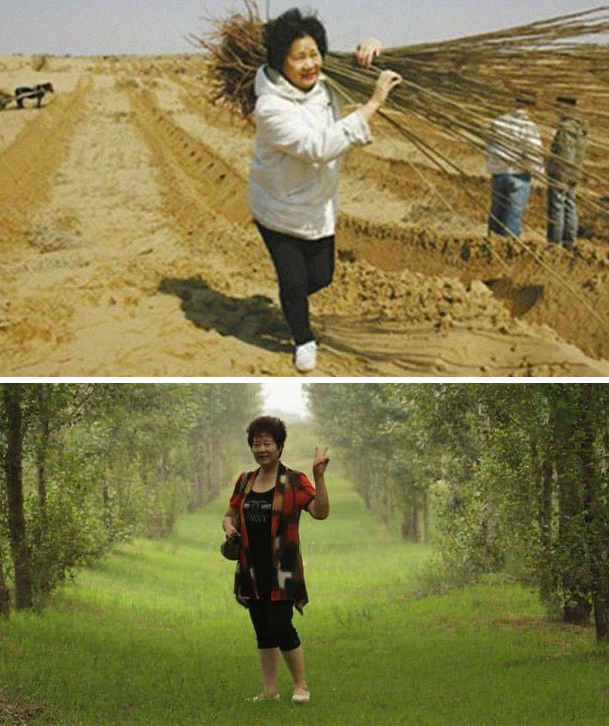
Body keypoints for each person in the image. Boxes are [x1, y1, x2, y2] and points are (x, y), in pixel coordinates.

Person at [249, 8, 401, 372]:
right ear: (280, 62)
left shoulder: (328, 83)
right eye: (299, 57)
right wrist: (373, 104)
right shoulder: (270, 107)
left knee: (322, 277)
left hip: (318, 206)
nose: (309, 64)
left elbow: (386, 76)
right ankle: (303, 339)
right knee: (295, 279)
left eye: (314, 54)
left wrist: (375, 48)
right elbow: (318, 147)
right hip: (277, 207)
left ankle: (291, 299)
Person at [222, 415, 330, 704]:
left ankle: (301, 685)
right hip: (250, 567)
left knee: (281, 624)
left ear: (280, 447)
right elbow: (230, 513)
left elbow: (320, 512)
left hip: (283, 569)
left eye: (268, 443)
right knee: (262, 628)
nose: (262, 449)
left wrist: (319, 477)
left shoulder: (294, 481)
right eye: (257, 444)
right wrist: (229, 527)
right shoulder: (245, 480)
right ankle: (270, 692)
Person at [486, 91, 545, 238]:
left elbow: (490, 146)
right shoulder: (528, 127)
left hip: (500, 173)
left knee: (496, 214)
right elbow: (533, 152)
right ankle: (508, 251)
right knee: (512, 217)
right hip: (519, 176)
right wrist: (538, 171)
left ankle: (491, 246)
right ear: (530, 108)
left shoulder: (499, 122)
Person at [546, 95, 588, 248]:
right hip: (574, 173)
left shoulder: (566, 128)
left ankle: (554, 243)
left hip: (562, 174)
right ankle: (569, 241)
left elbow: (565, 154)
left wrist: (560, 176)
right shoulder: (580, 127)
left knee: (557, 207)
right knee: (570, 205)